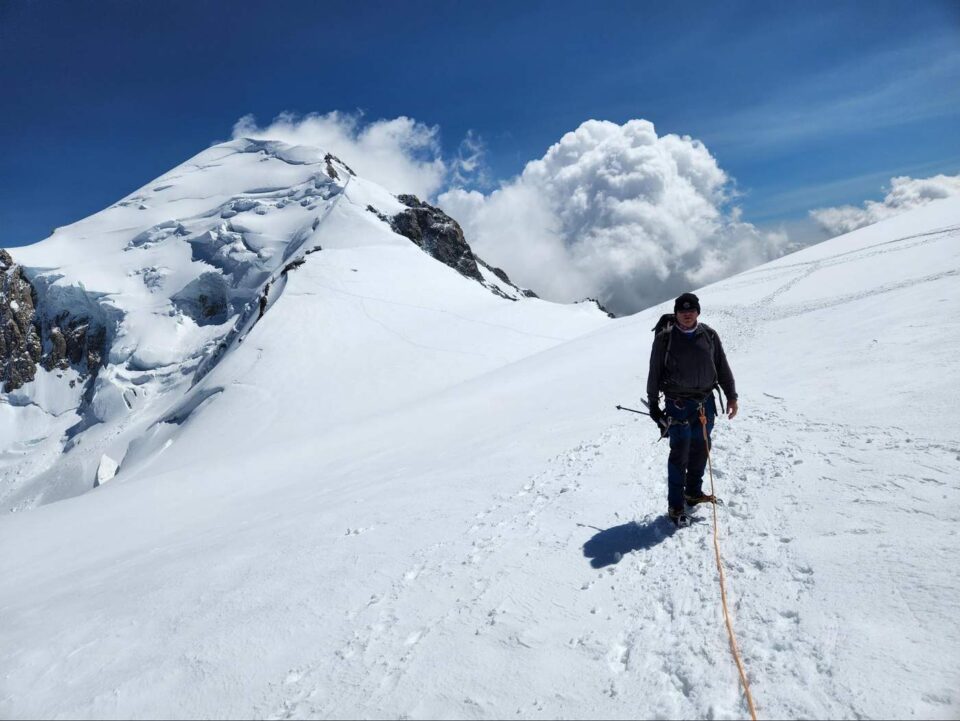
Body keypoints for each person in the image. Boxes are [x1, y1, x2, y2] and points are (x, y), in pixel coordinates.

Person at [646, 292, 738, 525]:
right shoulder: (665, 338)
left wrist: (731, 396)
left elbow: (722, 366)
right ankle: (676, 506)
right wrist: (653, 404)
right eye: (682, 311)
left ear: (698, 312)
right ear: (676, 314)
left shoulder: (709, 335)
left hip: (705, 403)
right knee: (680, 454)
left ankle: (693, 493)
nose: (687, 314)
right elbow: (654, 370)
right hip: (678, 405)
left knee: (701, 449)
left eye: (691, 310)